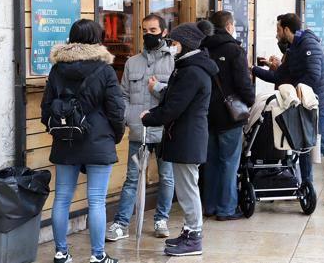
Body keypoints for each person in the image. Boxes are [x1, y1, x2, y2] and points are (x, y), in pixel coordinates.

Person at [41, 19, 125, 263]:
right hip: (98, 140)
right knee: (96, 199)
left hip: (65, 139)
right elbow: (116, 109)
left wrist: (56, 129)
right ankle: (98, 256)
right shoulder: (105, 69)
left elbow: (47, 108)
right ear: (97, 38)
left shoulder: (57, 69)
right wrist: (115, 135)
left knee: (62, 197)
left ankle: (61, 253)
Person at [253, 13, 324, 206]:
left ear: (287, 30)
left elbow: (313, 75)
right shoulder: (294, 48)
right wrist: (253, 70)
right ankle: (306, 187)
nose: (276, 34)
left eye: (278, 29)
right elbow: (280, 76)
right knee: (304, 145)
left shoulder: (308, 44)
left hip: (317, 103)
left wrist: (293, 92)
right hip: (302, 102)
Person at [141, 21, 218, 257]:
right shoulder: (188, 68)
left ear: (183, 44)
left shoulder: (192, 71)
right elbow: (174, 99)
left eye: (173, 43)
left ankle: (194, 236)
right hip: (185, 137)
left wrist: (150, 117)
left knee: (187, 189)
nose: (171, 47)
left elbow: (174, 106)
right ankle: (189, 230)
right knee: (186, 187)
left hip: (187, 138)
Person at [106, 14, 175, 242]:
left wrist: (158, 88)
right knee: (132, 179)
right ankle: (121, 223)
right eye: (145, 30)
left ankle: (161, 219)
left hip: (165, 130)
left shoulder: (174, 61)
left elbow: (176, 96)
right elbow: (123, 94)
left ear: (164, 32)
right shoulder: (132, 62)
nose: (148, 34)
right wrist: (129, 116)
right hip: (139, 129)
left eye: (153, 30)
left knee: (166, 177)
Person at [201, 11, 255, 221]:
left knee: (211, 161)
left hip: (206, 114)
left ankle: (210, 206)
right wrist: (252, 103)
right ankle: (227, 208)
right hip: (230, 115)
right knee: (229, 162)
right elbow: (243, 84)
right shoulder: (235, 50)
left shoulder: (202, 48)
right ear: (230, 26)